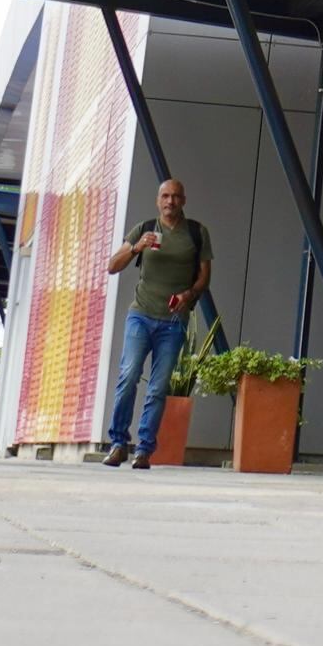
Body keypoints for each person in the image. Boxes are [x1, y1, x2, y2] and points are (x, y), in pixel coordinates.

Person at [101, 174, 212, 467]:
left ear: (183, 201)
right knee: (129, 375)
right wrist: (136, 247)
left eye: (175, 196)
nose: (170, 201)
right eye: (165, 196)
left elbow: (204, 277)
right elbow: (112, 266)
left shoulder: (196, 233)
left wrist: (189, 294)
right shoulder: (145, 229)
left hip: (174, 322)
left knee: (158, 386)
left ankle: (144, 449)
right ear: (157, 200)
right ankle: (118, 443)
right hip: (141, 315)